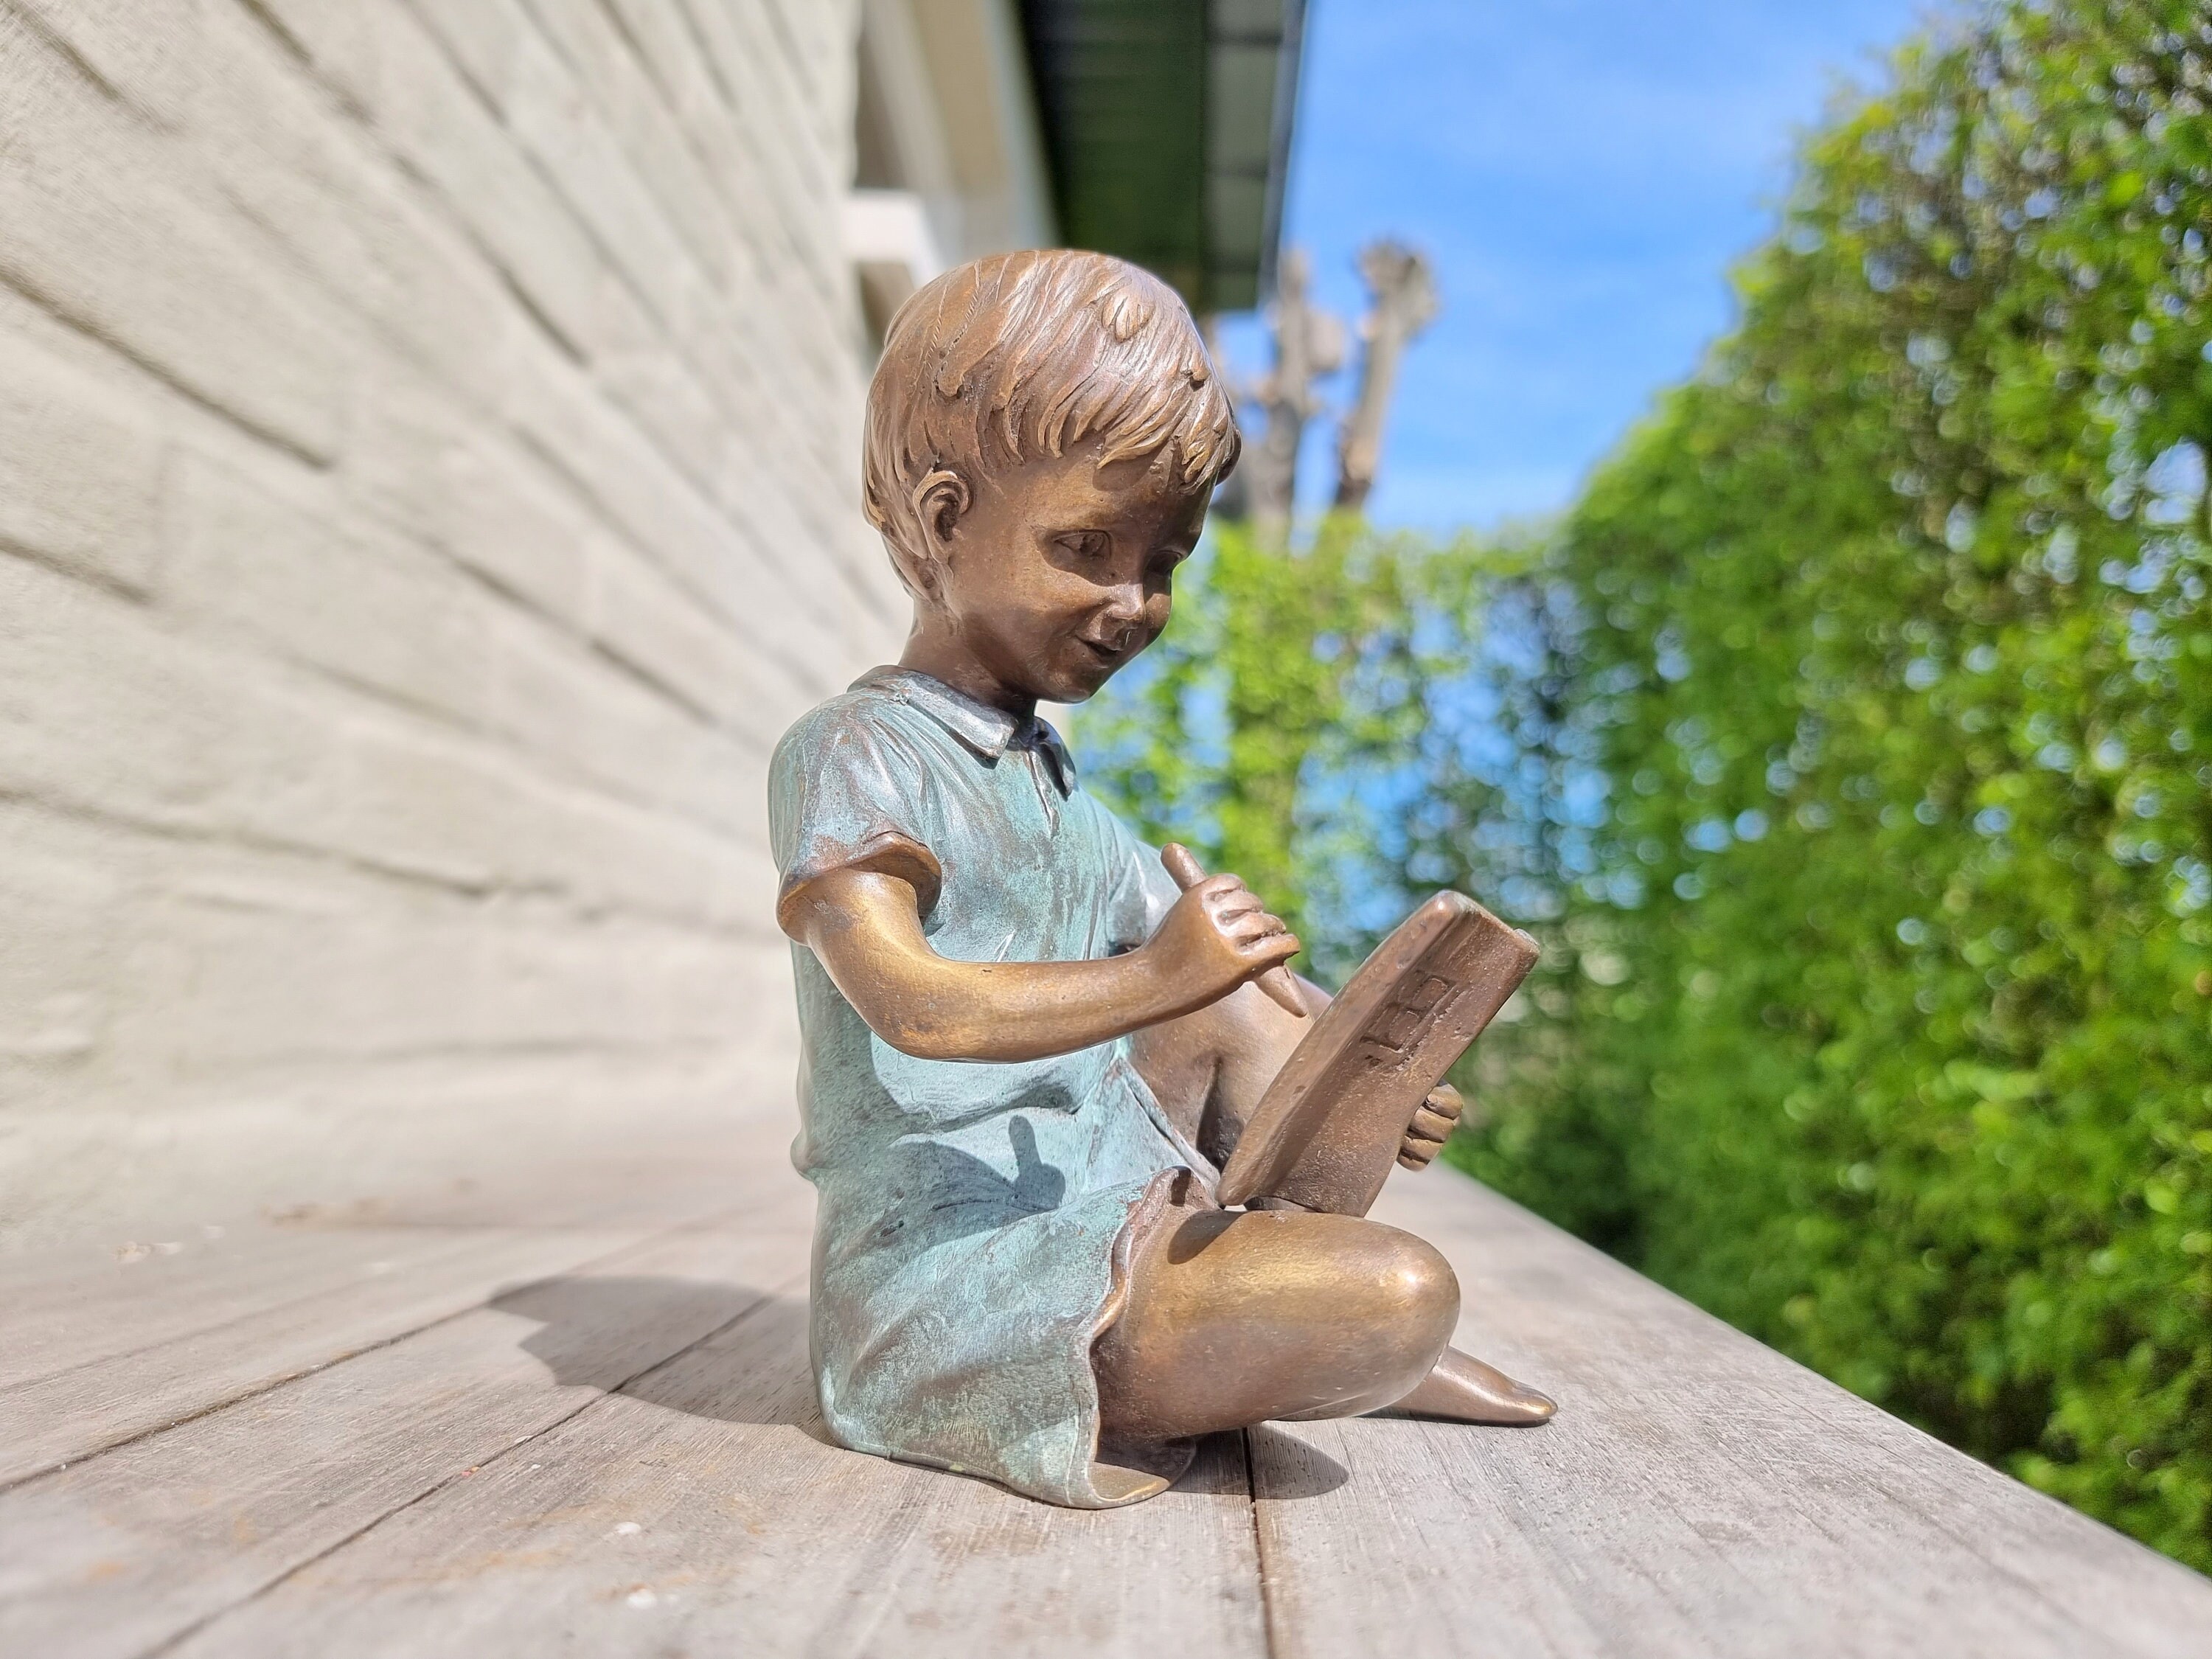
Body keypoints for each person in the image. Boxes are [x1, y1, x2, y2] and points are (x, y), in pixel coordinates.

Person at [770, 248, 1553, 1508]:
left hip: (1110, 1198)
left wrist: (1365, 1074)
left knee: (1234, 986)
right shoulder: (852, 754)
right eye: (1085, 545)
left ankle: (1308, 1331)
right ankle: (1316, 1336)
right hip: (958, 1271)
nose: (1134, 602)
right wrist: (1153, 973)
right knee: (1399, 1288)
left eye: (1168, 562)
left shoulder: (1060, 787)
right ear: (943, 516)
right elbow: (914, 1005)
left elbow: (1235, 1006)